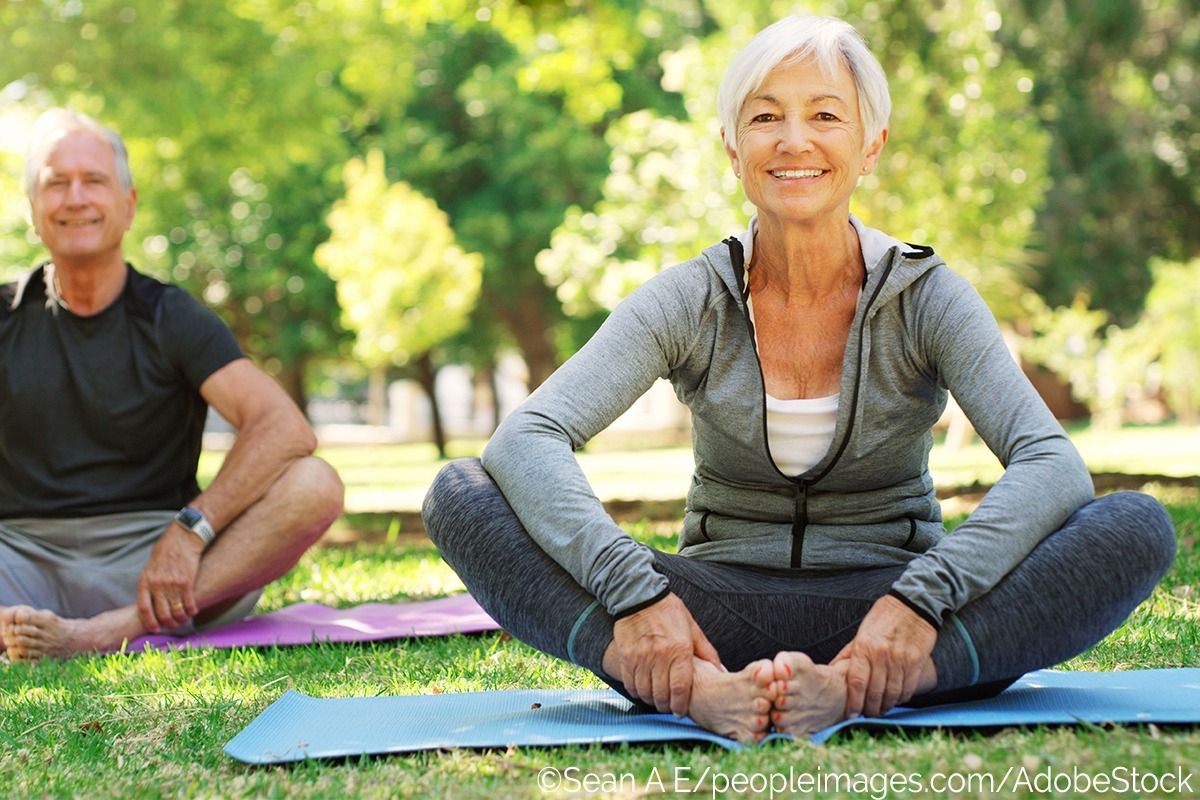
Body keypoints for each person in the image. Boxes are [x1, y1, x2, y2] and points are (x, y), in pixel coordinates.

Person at [422, 16, 1176, 740]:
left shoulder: (925, 296)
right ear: (731, 146)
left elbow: (1051, 463)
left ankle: (863, 681)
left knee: (1135, 525)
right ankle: (684, 681)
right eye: (765, 118)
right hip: (714, 612)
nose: (794, 141)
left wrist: (922, 598)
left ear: (870, 144)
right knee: (460, 494)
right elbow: (527, 437)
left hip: (895, 610)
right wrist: (637, 593)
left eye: (825, 115)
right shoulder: (690, 298)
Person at [0, 109, 344, 661]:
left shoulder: (171, 316)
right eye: (56, 183)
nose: (76, 198)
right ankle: (16, 626)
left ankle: (104, 631)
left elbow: (283, 427)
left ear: (128, 204)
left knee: (315, 484)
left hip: (157, 570)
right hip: (17, 559)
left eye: (94, 180)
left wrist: (190, 533)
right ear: (33, 210)